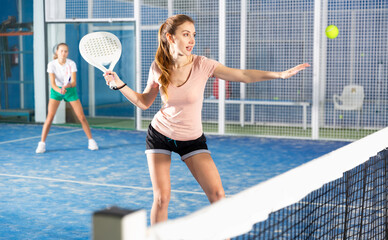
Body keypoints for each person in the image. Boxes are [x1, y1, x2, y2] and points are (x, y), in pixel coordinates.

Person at [104, 14, 310, 224]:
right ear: (170, 37)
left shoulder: (203, 64)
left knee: (218, 195)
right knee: (162, 198)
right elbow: (144, 102)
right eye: (186, 34)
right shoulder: (158, 66)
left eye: (193, 35)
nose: (192, 40)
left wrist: (279, 75)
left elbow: (243, 75)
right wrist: (119, 84)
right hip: (160, 134)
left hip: (192, 139)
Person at [35, 43, 98, 153]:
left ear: (67, 53)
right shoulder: (51, 65)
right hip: (56, 91)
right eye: (61, 51)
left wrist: (66, 86)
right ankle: (42, 144)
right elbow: (53, 84)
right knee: (49, 117)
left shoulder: (71, 64)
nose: (63, 53)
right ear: (57, 52)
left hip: (70, 91)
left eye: (66, 51)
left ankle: (91, 141)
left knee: (81, 117)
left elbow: (73, 82)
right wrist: (59, 90)